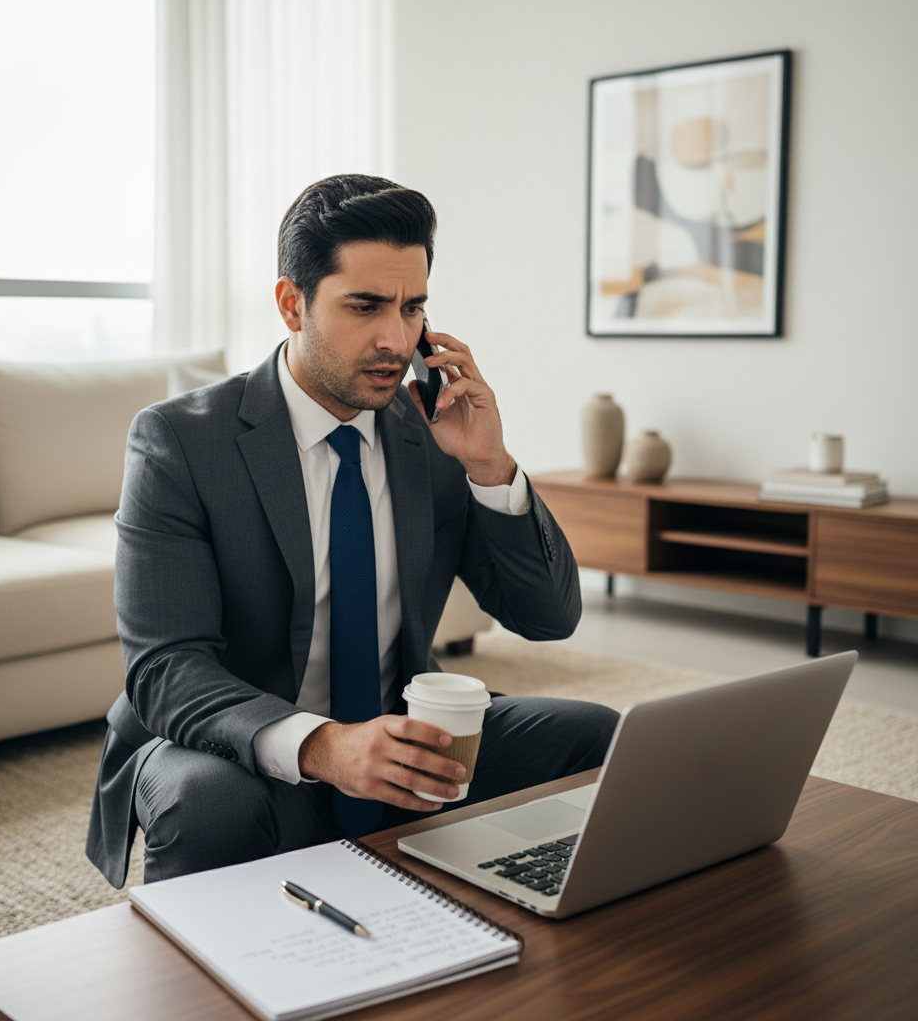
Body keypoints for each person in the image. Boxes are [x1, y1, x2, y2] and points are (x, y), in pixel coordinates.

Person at [86, 174, 619, 889]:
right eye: (365, 306)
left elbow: (547, 619)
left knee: (595, 735)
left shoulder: (432, 434)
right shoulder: (179, 441)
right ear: (291, 303)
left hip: (396, 725)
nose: (395, 339)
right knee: (209, 805)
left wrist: (490, 467)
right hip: (234, 741)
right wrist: (324, 747)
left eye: (412, 308)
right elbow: (166, 669)